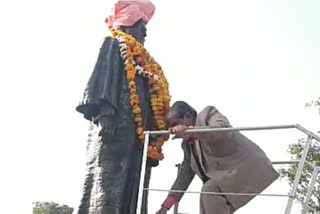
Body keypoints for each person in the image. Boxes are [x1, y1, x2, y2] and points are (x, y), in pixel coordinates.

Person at [76, 1, 170, 214]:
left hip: (136, 135)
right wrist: (105, 114)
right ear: (126, 26)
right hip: (114, 128)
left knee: (133, 184)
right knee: (107, 182)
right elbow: (99, 83)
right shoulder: (113, 43)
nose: (144, 30)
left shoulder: (145, 60)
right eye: (140, 24)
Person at [156, 101, 279, 214]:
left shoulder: (208, 114)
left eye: (174, 124)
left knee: (209, 190)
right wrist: (165, 207)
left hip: (248, 167)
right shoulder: (187, 145)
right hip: (225, 179)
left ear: (187, 117)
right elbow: (185, 175)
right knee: (208, 197)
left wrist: (191, 131)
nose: (173, 130)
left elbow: (222, 131)